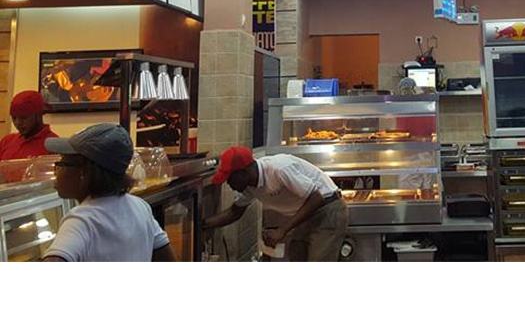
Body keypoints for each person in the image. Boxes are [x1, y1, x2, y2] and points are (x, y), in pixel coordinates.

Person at [42, 123, 176, 262]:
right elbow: (166, 258)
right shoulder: (140, 206)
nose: (56, 172)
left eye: (61, 164)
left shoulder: (82, 220)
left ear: (84, 172)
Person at [203, 146, 348, 261]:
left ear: (244, 171)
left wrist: (282, 230)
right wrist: (203, 224)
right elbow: (235, 212)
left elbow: (316, 198)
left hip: (327, 209)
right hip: (307, 213)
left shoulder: (279, 169)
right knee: (297, 256)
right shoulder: (248, 186)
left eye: (230, 179)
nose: (229, 184)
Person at [0, 91, 58, 161]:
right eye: (14, 118)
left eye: (23, 118)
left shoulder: (53, 145)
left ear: (38, 115)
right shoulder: (6, 142)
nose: (18, 123)